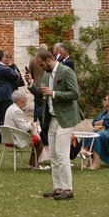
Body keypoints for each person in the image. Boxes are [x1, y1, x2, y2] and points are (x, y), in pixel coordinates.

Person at [41, 45, 80, 199]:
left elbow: (74, 94)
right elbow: (42, 94)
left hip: (66, 118)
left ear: (49, 59)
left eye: (43, 65)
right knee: (54, 155)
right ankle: (57, 188)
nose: (42, 68)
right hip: (52, 118)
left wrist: (54, 93)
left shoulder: (66, 71)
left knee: (62, 154)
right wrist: (31, 85)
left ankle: (68, 189)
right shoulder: (46, 74)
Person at [75, 91, 109, 169]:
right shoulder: (105, 112)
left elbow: (107, 122)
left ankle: (96, 163)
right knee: (88, 136)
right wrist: (101, 122)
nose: (104, 101)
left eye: (105, 100)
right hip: (104, 132)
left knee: (97, 136)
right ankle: (87, 161)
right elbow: (94, 122)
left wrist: (101, 122)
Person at [0, 51, 24, 144]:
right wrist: (16, 73)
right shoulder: (4, 69)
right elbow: (15, 76)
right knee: (5, 117)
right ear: (2, 57)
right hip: (4, 95)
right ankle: (5, 138)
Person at [1, 88, 38, 157]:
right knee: (38, 140)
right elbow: (23, 128)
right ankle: (34, 164)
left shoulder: (11, 108)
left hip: (10, 137)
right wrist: (32, 123)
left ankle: (34, 164)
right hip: (16, 139)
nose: (26, 100)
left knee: (37, 137)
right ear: (18, 101)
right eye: (24, 99)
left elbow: (19, 124)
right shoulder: (17, 111)